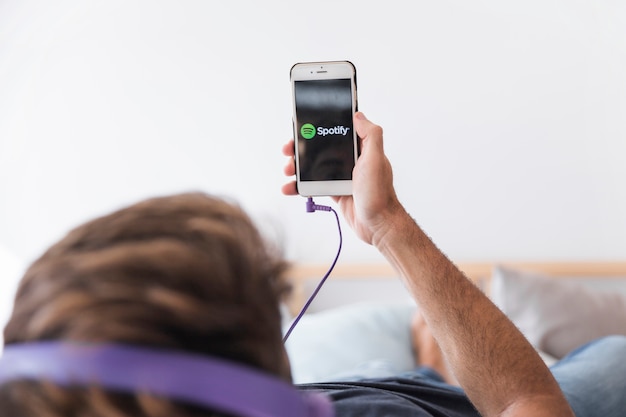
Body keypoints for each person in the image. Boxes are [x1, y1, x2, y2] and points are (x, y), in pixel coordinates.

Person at [0, 112, 624, 417]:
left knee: (387, 365)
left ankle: (432, 361)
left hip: (369, 380)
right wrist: (388, 226)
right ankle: (440, 367)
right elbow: (527, 400)